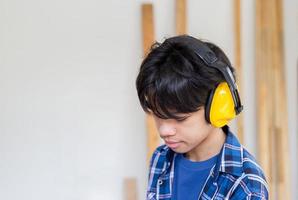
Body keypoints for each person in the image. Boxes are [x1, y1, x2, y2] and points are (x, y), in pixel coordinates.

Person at [135, 35, 268, 200]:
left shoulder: (246, 185)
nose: (164, 130)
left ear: (218, 106)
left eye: (179, 118)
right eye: (157, 114)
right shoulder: (161, 159)